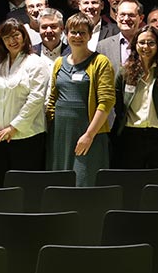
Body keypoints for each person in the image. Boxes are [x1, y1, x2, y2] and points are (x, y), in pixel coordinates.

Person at [0, 19, 50, 186]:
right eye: (7, 37)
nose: (12, 41)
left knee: (25, 188)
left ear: (24, 37)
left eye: (16, 35)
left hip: (27, 138)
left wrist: (13, 128)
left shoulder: (36, 62)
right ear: (1, 41)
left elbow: (36, 100)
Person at [46, 15, 115, 186]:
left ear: (90, 35)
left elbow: (106, 102)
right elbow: (53, 98)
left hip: (88, 133)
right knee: (59, 184)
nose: (77, 37)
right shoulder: (59, 63)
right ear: (66, 34)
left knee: (84, 182)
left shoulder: (100, 62)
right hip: (60, 134)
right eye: (73, 32)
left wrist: (89, 135)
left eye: (82, 33)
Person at [111, 27, 158, 173]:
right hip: (131, 137)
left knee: (157, 186)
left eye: (151, 43)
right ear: (135, 45)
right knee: (132, 185)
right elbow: (117, 105)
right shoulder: (125, 71)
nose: (146, 47)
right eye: (141, 43)